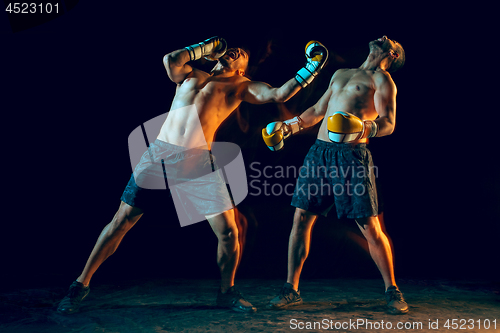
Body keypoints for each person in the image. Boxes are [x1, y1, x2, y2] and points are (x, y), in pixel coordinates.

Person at [57, 36, 328, 314]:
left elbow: (279, 94)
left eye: (243, 53)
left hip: (199, 162)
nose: (237, 50)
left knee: (228, 232)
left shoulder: (241, 86)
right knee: (121, 221)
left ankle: (227, 292)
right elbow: (170, 60)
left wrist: (312, 68)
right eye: (233, 48)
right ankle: (80, 285)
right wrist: (210, 46)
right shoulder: (190, 74)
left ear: (244, 68)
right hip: (160, 155)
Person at [262, 35, 408, 314]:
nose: (384, 36)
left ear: (392, 53)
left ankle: (392, 290)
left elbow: (388, 123)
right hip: (319, 153)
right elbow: (317, 111)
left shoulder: (383, 81)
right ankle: (290, 289)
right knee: (301, 218)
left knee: (369, 227)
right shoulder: (341, 74)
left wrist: (361, 128)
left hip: (352, 157)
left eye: (391, 41)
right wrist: (288, 127)